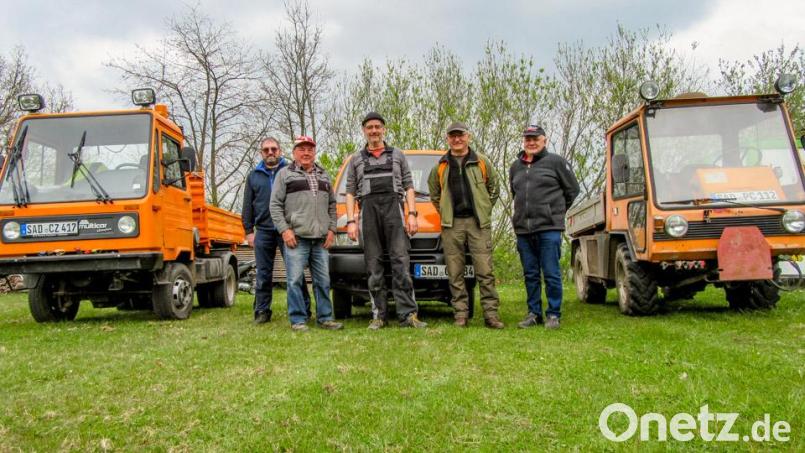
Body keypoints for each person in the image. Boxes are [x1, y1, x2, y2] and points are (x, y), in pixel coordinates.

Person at [344, 112, 426, 329]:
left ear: (384, 129)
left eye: (377, 127)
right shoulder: (356, 159)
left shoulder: (397, 155)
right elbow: (350, 191)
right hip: (368, 214)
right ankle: (379, 316)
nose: (374, 131)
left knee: (401, 262)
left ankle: (408, 315)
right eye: (369, 127)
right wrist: (351, 221)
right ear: (364, 131)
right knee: (374, 265)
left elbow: (409, 186)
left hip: (394, 212)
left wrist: (411, 214)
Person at [428, 122, 504, 329]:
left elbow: (494, 188)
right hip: (452, 225)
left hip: (478, 224)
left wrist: (484, 209)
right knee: (455, 272)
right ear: (448, 139)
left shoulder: (481, 162)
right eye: (452, 136)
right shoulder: (440, 166)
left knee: (485, 271)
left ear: (468, 137)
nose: (457, 139)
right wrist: (445, 212)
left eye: (460, 135)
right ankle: (460, 315)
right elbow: (435, 194)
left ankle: (491, 315)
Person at [269, 136, 342, 332]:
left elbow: (332, 206)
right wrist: (285, 230)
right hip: (297, 238)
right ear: (294, 153)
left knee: (323, 281)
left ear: (314, 151)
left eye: (310, 148)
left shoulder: (324, 175)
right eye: (301, 149)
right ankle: (298, 320)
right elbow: (275, 206)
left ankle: (325, 318)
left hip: (320, 240)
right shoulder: (285, 174)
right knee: (294, 280)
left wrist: (331, 229)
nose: (306, 152)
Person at [510, 125, 580, 329]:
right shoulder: (515, 167)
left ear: (544, 140)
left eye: (535, 138)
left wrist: (555, 211)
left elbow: (572, 190)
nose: (531, 142)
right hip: (523, 230)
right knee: (530, 274)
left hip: (549, 228)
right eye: (527, 139)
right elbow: (515, 193)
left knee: (551, 272)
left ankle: (553, 314)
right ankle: (533, 313)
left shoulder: (556, 162)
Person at [241, 137, 310, 324]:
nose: (270, 152)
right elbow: (247, 205)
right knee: (263, 273)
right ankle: (262, 311)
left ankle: (304, 308)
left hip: (287, 230)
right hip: (263, 231)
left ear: (280, 151)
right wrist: (248, 231)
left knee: (295, 271)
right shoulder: (254, 176)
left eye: (274, 149)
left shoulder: (290, 171)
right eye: (266, 150)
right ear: (261, 153)